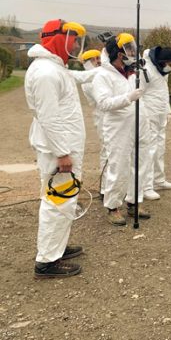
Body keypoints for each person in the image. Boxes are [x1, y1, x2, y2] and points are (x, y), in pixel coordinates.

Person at [24, 19, 93, 278]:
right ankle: (47, 261)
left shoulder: (55, 67)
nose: (75, 43)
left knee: (65, 202)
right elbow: (49, 116)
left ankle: (57, 247)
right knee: (56, 202)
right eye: (72, 38)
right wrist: (62, 152)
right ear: (57, 38)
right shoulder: (45, 72)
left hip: (63, 147)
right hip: (58, 150)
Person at [92, 33, 150, 225]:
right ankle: (113, 206)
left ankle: (134, 201)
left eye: (132, 48)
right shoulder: (103, 75)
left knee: (141, 163)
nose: (132, 52)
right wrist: (128, 98)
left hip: (138, 121)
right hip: (117, 126)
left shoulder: (131, 72)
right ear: (117, 53)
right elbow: (103, 103)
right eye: (128, 49)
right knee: (118, 165)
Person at [139, 46, 171, 201]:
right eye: (170, 64)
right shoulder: (146, 70)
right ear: (162, 61)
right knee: (149, 150)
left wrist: (168, 110)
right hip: (148, 115)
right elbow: (139, 93)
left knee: (160, 149)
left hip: (160, 115)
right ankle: (146, 186)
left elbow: (163, 91)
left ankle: (159, 180)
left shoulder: (163, 72)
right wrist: (143, 115)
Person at [79, 49, 107, 197]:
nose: (99, 61)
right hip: (102, 115)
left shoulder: (95, 75)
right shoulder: (90, 79)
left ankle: (109, 186)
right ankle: (104, 188)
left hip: (104, 114)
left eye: (99, 57)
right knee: (106, 151)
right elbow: (102, 99)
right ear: (89, 61)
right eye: (96, 59)